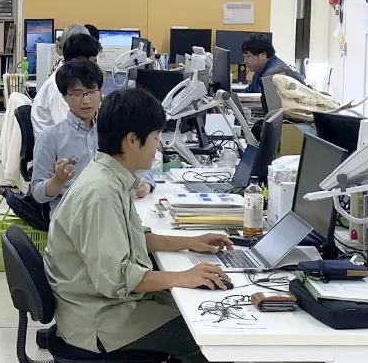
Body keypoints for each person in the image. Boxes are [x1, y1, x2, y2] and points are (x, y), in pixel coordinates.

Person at [44, 88, 233, 363]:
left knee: (201, 309)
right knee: (208, 336)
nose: (158, 146)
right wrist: (183, 277)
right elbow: (118, 279)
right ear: (133, 140)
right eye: (156, 138)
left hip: (104, 304)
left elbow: (136, 237)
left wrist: (190, 242)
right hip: (101, 320)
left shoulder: (110, 175)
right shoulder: (102, 194)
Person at [31, 58, 156, 216]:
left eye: (91, 92)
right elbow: (37, 193)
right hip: (72, 218)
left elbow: (140, 164)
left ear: (100, 91)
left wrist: (145, 183)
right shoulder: (50, 137)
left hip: (113, 208)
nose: (86, 100)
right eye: (77, 94)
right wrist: (58, 180)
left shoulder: (114, 129)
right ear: (64, 97)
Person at [31, 30, 101, 137]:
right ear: (81, 61)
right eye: (93, 61)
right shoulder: (59, 87)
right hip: (56, 146)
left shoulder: (71, 79)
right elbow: (68, 129)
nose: (96, 66)